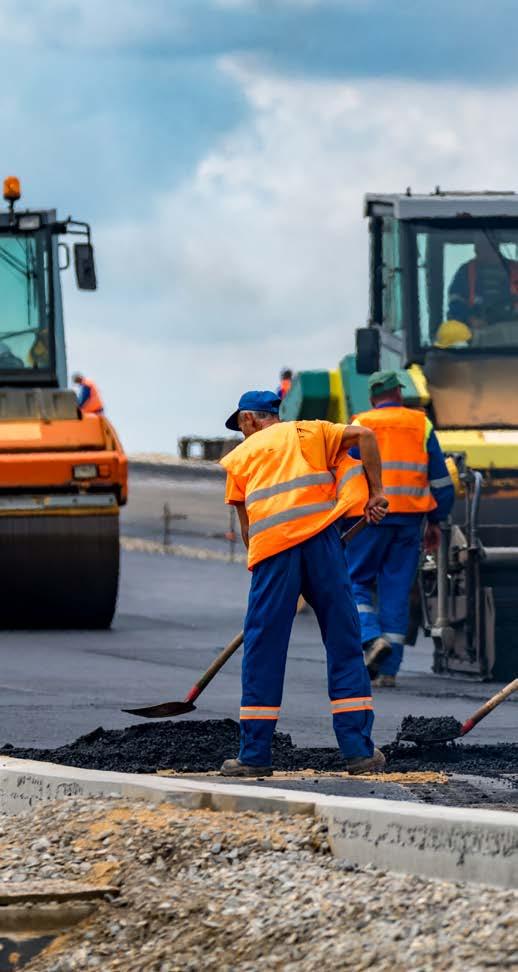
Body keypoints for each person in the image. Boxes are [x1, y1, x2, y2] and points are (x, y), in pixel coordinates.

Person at [218, 389, 388, 778]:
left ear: (248, 420)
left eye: (241, 425)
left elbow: (248, 532)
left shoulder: (241, 458)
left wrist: (272, 579)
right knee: (345, 643)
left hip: (274, 553)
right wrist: (376, 492)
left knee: (263, 648)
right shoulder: (310, 432)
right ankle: (359, 753)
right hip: (323, 544)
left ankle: (255, 755)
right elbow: (366, 436)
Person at [344, 371, 455, 688]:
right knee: (396, 591)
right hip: (409, 520)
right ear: (399, 394)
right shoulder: (421, 424)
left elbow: (346, 471)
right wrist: (437, 520)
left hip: (368, 518)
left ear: (372, 397)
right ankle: (389, 671)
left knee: (354, 581)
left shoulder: (359, 422)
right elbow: (441, 482)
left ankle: (370, 638)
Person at [447, 235, 518, 327]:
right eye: (477, 245)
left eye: (483, 245)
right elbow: (455, 302)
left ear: (495, 246)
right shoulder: (465, 271)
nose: (476, 249)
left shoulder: (515, 269)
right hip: (475, 334)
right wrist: (470, 319)